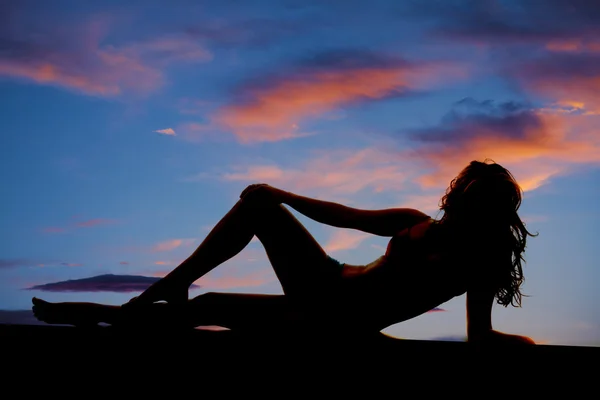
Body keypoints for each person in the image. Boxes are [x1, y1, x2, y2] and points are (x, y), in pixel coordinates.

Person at [32, 159, 537, 345]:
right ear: (458, 193)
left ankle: (101, 316)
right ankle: (171, 283)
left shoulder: (480, 263)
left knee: (208, 310)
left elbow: (480, 336)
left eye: (481, 200)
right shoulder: (415, 223)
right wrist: (284, 195)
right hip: (327, 281)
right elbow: (345, 216)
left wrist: (521, 344)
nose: (466, 203)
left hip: (336, 321)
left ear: (493, 212)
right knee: (257, 202)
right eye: (467, 192)